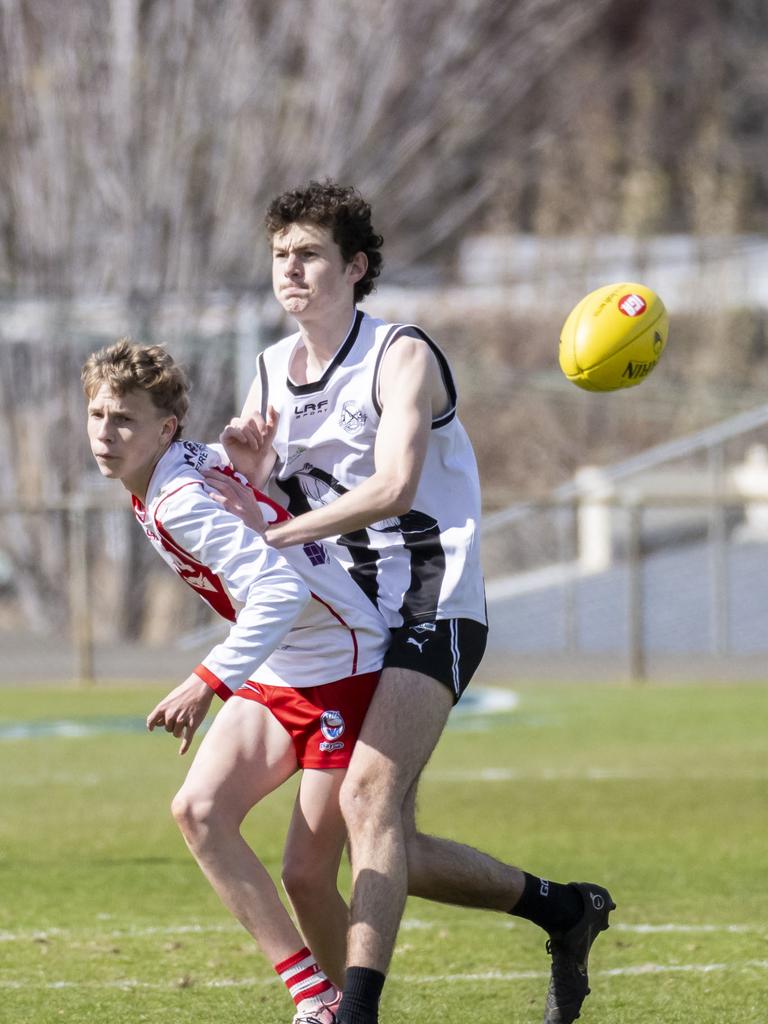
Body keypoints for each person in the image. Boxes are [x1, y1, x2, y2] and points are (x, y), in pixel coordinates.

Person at [210, 180, 615, 1024]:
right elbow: (258, 503)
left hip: (433, 610)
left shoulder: (402, 355)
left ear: (356, 267)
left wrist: (280, 532)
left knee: (368, 805)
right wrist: (247, 480)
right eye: (281, 253)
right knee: (369, 847)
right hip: (345, 624)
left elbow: (394, 487)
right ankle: (564, 910)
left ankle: (353, 1014)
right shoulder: (265, 373)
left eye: (311, 252)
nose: (292, 267)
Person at [82, 339, 392, 1024]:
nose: (106, 433)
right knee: (199, 812)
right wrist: (258, 469)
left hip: (340, 661)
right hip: (288, 657)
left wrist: (207, 682)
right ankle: (318, 1001)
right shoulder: (170, 472)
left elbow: (278, 591)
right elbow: (263, 515)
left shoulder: (178, 497)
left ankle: (358, 1014)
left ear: (165, 429)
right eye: (98, 415)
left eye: (124, 419)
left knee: (310, 876)